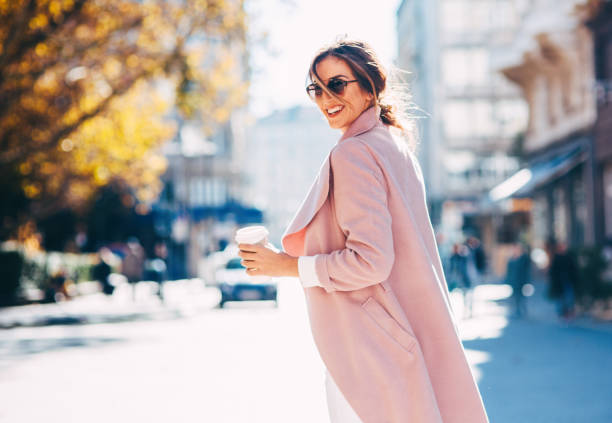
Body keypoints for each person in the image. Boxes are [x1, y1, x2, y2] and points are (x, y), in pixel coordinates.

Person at [237, 39, 488, 423]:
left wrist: (285, 266)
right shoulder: (393, 145)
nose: (325, 99)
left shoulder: (354, 152)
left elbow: (370, 261)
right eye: (315, 89)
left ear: (370, 85)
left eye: (336, 85)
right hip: (403, 337)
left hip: (372, 349)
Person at [548, 240, 578, 320]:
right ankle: (562, 313)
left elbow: (573, 269)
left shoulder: (569, 257)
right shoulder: (556, 258)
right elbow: (553, 272)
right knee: (560, 299)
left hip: (568, 281)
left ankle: (568, 313)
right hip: (559, 283)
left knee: (569, 298)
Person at [504, 242, 531, 318]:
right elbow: (509, 271)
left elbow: (526, 270)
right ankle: (516, 310)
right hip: (513, 281)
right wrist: (507, 281)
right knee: (514, 296)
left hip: (522, 281)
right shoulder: (511, 259)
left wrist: (527, 281)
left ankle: (522, 310)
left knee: (522, 296)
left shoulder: (524, 258)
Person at [448, 242, 474, 318]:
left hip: (465, 280)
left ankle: (469, 311)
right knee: (462, 297)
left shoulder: (463, 257)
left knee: (467, 296)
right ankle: (464, 312)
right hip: (457, 281)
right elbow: (451, 270)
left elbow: (467, 269)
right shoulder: (452, 258)